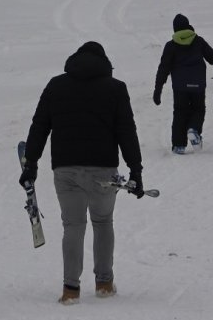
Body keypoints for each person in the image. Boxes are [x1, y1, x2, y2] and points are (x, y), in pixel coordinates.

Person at [19, 41, 144, 305]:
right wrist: (136, 170)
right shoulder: (116, 88)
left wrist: (31, 162)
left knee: (73, 226)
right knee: (103, 222)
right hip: (103, 169)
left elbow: (39, 125)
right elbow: (126, 131)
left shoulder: (56, 85)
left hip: (66, 169)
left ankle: (70, 289)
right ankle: (104, 284)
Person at [153, 14, 213, 154]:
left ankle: (178, 145)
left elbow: (163, 68)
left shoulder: (171, 46)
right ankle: (194, 129)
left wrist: (158, 89)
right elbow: (212, 57)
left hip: (179, 87)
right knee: (198, 109)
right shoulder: (198, 41)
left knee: (180, 112)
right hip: (198, 85)